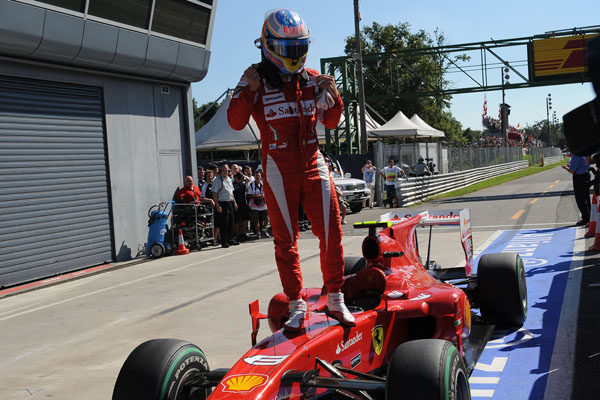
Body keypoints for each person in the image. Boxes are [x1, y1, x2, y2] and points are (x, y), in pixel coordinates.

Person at [227, 8, 354, 330]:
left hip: (314, 163)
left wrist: (335, 96)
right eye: (288, 50)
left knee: (333, 232)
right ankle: (296, 304)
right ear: (269, 46)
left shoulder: (312, 79)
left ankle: (336, 298)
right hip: (277, 169)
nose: (294, 56)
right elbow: (235, 122)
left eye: (299, 49)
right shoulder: (252, 78)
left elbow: (331, 121)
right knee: (286, 240)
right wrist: (249, 91)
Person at [212, 164, 239, 248]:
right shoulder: (217, 180)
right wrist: (217, 205)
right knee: (224, 223)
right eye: (223, 170)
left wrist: (234, 202)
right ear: (221, 170)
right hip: (222, 203)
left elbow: (231, 192)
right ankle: (224, 241)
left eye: (226, 170)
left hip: (230, 202)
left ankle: (230, 239)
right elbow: (214, 193)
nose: (225, 172)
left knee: (231, 221)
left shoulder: (229, 179)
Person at [562, 152, 591, 226]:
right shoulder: (584, 152)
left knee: (580, 199)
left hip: (579, 177)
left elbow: (572, 171)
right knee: (586, 197)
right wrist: (570, 165)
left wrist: (565, 168)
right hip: (586, 174)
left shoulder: (575, 155)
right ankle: (590, 217)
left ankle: (586, 218)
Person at [247, 170, 270, 238]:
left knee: (266, 219)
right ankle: (258, 233)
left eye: (258, 175)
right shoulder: (251, 185)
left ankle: (263, 229)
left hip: (263, 205)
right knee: (256, 220)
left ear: (261, 176)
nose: (257, 177)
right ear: (254, 176)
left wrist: (263, 197)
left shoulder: (264, 184)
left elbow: (268, 193)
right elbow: (248, 195)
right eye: (256, 176)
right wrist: (257, 197)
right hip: (254, 206)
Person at [233, 172, 251, 241]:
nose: (240, 180)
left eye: (241, 178)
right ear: (235, 178)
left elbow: (248, 183)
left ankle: (243, 233)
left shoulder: (244, 183)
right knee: (237, 220)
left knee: (245, 218)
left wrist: (244, 178)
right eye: (239, 178)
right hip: (236, 204)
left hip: (244, 203)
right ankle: (237, 234)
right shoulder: (233, 184)